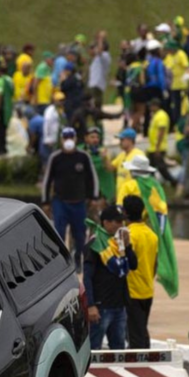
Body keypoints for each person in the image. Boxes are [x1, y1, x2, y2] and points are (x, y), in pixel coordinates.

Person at [42, 127, 99, 272]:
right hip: (60, 202)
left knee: (80, 235)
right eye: (65, 138)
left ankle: (78, 258)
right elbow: (47, 180)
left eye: (71, 138)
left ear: (75, 139)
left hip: (79, 203)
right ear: (61, 140)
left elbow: (92, 178)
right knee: (59, 233)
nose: (68, 141)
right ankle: (62, 263)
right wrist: (45, 201)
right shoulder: (55, 158)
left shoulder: (83, 157)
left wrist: (94, 197)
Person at [84, 204, 136, 350]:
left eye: (123, 222)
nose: (122, 226)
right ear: (106, 222)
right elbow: (87, 277)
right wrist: (91, 305)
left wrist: (128, 246)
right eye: (118, 222)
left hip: (119, 305)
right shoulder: (95, 244)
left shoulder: (118, 244)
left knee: (118, 348)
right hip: (101, 307)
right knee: (94, 348)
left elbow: (133, 265)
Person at [123, 195, 158, 349]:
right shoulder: (152, 235)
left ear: (125, 213)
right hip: (148, 290)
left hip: (132, 291)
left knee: (135, 336)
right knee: (142, 330)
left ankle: (140, 368)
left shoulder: (128, 235)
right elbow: (155, 263)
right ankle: (147, 362)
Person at [146, 98, 177, 186]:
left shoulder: (161, 116)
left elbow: (161, 131)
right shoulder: (156, 115)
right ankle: (151, 184)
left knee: (161, 168)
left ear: (156, 106)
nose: (150, 108)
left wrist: (157, 147)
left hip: (158, 147)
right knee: (151, 168)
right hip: (153, 147)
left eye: (151, 106)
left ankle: (173, 181)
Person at [111, 128, 145, 197]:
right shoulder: (121, 155)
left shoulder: (138, 155)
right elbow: (110, 168)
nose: (120, 142)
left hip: (132, 197)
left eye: (122, 140)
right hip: (121, 196)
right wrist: (105, 157)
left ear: (130, 140)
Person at [0, 64, 15, 155]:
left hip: (1, 107)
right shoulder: (10, 80)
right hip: (8, 107)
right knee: (4, 128)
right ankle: (3, 146)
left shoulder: (0, 81)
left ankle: (0, 148)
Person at [87, 31, 112, 109]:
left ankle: (97, 119)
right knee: (94, 105)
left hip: (96, 84)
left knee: (95, 105)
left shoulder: (105, 56)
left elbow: (100, 51)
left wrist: (100, 39)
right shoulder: (98, 58)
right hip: (96, 84)